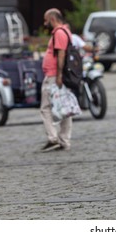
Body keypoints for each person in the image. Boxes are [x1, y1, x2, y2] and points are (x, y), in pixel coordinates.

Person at [40, 8, 73, 152]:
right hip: (57, 76)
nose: (45, 23)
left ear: (52, 19)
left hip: (54, 76)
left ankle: (53, 138)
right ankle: (64, 141)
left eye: (46, 20)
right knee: (64, 107)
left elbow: (61, 54)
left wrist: (58, 75)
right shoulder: (65, 31)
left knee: (45, 108)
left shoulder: (59, 33)